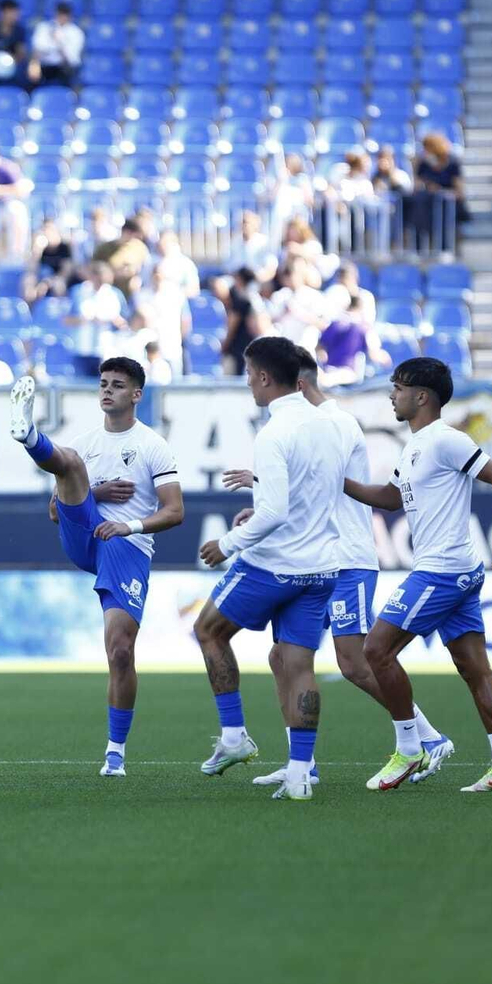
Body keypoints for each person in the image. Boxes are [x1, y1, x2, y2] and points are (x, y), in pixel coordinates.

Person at [221, 350, 451, 791]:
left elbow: (321, 482)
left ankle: (427, 735)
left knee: (353, 661)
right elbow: (305, 490)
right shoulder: (314, 425)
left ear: (301, 386)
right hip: (316, 557)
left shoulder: (335, 422)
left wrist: (264, 485)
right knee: (282, 657)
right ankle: (300, 765)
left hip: (347, 557)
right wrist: (263, 495)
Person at [343, 356, 492, 793]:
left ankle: (410, 748)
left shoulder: (446, 440)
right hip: (454, 570)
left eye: (398, 387)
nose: (392, 394)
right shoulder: (412, 446)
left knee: (376, 650)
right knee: (473, 668)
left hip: (442, 571)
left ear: (422, 396)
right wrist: (339, 481)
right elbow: (390, 499)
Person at [7, 363, 184, 777]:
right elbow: (55, 511)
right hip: (84, 534)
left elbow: (175, 511)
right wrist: (96, 493)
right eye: (103, 384)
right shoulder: (84, 443)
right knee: (70, 462)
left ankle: (115, 753)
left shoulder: (152, 445)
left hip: (125, 544)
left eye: (118, 386)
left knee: (120, 650)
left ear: (136, 395)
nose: (107, 391)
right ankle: (27, 434)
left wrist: (129, 524)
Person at [191, 336, 346, 801]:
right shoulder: (327, 424)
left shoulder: (274, 432)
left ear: (262, 377)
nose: (247, 384)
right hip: (321, 566)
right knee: (295, 663)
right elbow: (313, 488)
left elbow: (276, 512)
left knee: (208, 631)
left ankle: (235, 737)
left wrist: (228, 543)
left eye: (247, 375)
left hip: (274, 564)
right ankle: (300, 774)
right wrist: (260, 498)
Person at [66, 260, 126, 357]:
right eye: (96, 278)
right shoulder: (78, 292)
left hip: (106, 351)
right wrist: (84, 320)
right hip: (81, 349)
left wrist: (111, 319)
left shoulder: (115, 294)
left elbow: (125, 324)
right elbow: (66, 320)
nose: (99, 283)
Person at [92, 218, 151, 299]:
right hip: (109, 290)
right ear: (125, 232)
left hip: (131, 291)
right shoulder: (104, 248)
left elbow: (147, 268)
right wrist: (112, 273)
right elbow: (94, 267)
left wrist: (138, 278)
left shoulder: (139, 248)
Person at [30, 1, 84, 87]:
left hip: (64, 68)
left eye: (65, 14)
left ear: (70, 15)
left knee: (69, 73)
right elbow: (38, 49)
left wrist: (59, 42)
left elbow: (72, 59)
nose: (62, 17)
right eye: (60, 13)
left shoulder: (76, 32)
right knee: (32, 70)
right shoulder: (43, 27)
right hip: (44, 66)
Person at [222, 211, 278, 284]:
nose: (244, 225)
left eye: (247, 222)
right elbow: (228, 268)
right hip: (236, 281)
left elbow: (271, 269)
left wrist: (259, 280)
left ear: (256, 225)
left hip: (257, 281)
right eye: (242, 222)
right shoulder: (235, 242)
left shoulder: (265, 243)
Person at [0, 0, 28, 87]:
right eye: (12, 12)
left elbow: (21, 53)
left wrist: (11, 60)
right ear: (3, 13)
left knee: (23, 69)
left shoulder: (20, 30)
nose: (15, 16)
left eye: (16, 13)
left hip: (14, 64)